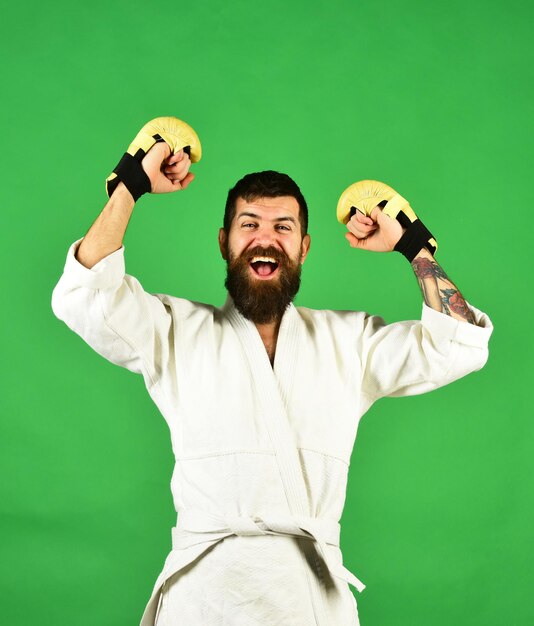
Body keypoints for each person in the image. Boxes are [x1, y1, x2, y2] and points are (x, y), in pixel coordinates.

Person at [51, 139, 493, 626]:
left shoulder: (350, 341)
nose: (266, 239)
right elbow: (85, 295)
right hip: (203, 599)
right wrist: (130, 187)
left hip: (309, 599)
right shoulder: (172, 330)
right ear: (225, 242)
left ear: (303, 247)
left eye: (283, 227)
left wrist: (415, 245)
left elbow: (457, 345)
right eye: (249, 226)